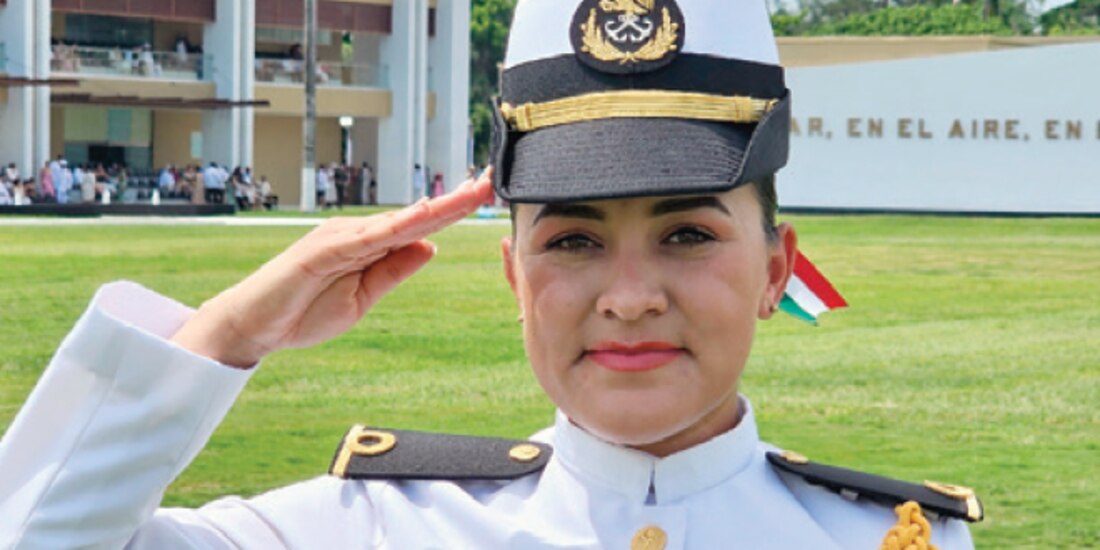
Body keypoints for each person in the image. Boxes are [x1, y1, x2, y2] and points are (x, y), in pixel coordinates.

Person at [0, 1, 982, 548]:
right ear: (512, 275)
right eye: (571, 240)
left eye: (685, 234)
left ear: (776, 269)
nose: (628, 295)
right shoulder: (377, 527)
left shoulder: (897, 542)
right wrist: (222, 339)